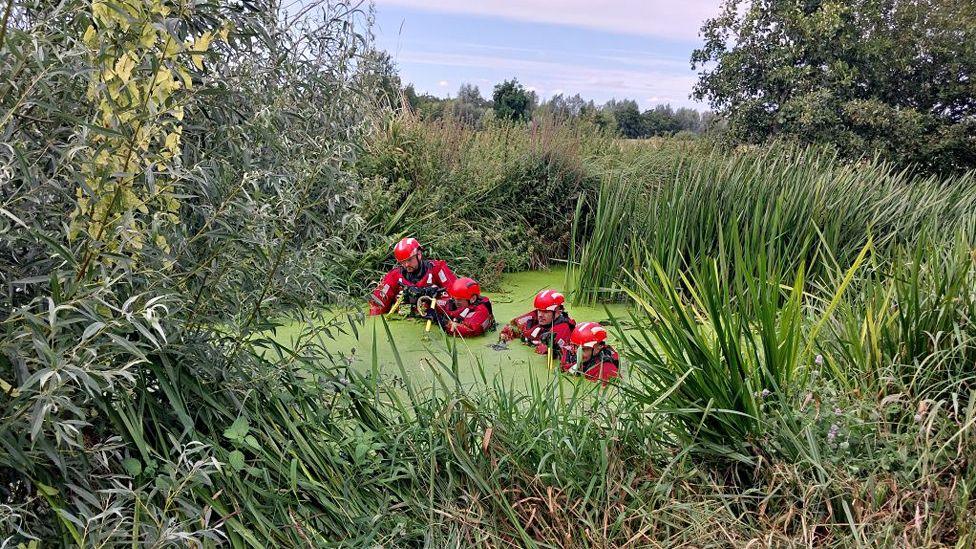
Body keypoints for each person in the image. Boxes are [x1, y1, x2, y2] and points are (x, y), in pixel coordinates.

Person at [368, 237, 457, 316]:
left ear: (419, 254)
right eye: (402, 262)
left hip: (432, 318)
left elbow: (456, 297)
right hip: (403, 321)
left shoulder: (437, 269)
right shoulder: (393, 276)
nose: (406, 265)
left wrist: (433, 299)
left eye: (410, 260)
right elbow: (377, 305)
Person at [500, 289, 575, 357]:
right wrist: (502, 341)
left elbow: (544, 352)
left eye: (545, 312)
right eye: (539, 310)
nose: (540, 315)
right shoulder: (536, 317)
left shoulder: (562, 329)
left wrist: (550, 346)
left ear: (558, 311)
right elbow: (512, 327)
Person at [429, 277, 495, 338]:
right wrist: (429, 302)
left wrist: (443, 323)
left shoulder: (480, 311)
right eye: (455, 298)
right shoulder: (455, 302)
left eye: (460, 299)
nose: (456, 302)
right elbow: (443, 303)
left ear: (473, 299)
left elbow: (470, 330)